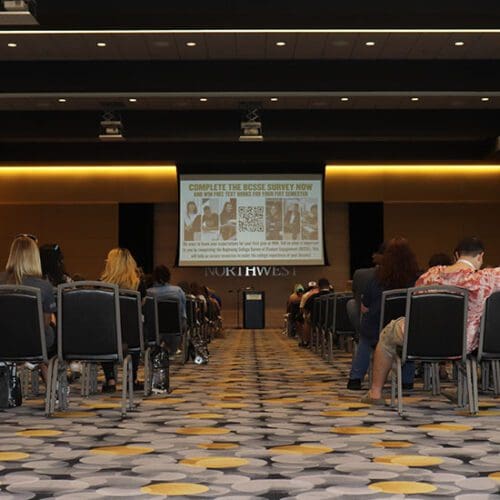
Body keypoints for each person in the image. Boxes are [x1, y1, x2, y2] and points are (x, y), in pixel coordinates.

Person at [362, 236, 500, 405]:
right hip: (461, 343)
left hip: (420, 340)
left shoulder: (431, 274)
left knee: (387, 334)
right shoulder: (488, 278)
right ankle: (465, 392)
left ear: (456, 255)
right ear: (480, 256)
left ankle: (375, 393)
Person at [347, 237, 419, 391]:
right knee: (409, 340)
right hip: (406, 329)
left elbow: (365, 306)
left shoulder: (377, 279)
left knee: (365, 341)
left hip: (377, 329)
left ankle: (355, 379)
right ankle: (407, 381)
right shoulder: (416, 279)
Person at [1, 236, 57, 382]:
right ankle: (50, 383)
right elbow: (43, 324)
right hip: (34, 342)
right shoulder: (44, 286)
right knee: (51, 331)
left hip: (4, 340)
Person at [100, 247, 146, 392]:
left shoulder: (100, 285)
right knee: (137, 327)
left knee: (103, 330)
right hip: (132, 337)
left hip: (108, 336)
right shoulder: (138, 285)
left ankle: (110, 379)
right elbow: (141, 308)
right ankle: (132, 379)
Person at [346, 242, 386, 337]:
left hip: (372, 325)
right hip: (399, 325)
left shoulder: (361, 275)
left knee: (351, 303)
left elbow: (356, 296)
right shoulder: (409, 277)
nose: (372, 256)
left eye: (375, 253)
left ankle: (360, 336)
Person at [148, 266, 187, 354]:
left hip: (154, 331)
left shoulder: (148, 293)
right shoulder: (178, 291)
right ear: (168, 277)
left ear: (154, 278)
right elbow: (183, 314)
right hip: (175, 331)